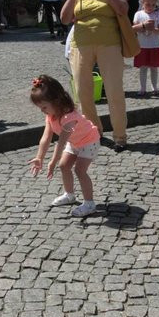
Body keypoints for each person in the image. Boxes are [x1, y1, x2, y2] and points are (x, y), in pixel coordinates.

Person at [61, 0, 130, 152]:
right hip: (81, 44)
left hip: (109, 43)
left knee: (114, 91)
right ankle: (94, 132)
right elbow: (65, 18)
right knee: (83, 93)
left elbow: (123, 9)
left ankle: (120, 136)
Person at [28, 75, 101, 218]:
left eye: (44, 107)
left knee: (80, 170)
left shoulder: (69, 118)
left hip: (89, 141)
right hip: (75, 142)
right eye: (40, 108)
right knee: (64, 166)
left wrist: (52, 161)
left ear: (56, 101)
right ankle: (69, 195)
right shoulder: (51, 115)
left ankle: (89, 203)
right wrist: (39, 157)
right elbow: (46, 137)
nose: (42, 111)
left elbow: (61, 143)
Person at [132, 0, 159, 96]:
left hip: (154, 45)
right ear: (143, 2)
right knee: (143, 68)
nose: (150, 7)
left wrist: (154, 30)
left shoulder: (157, 15)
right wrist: (143, 27)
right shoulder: (138, 14)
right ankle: (142, 88)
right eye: (148, 4)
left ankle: (154, 87)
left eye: (153, 5)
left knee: (154, 68)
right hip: (142, 46)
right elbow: (134, 28)